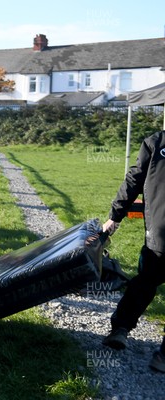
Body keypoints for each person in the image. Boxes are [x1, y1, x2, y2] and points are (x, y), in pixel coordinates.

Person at [101, 129, 165, 373]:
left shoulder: (156, 141)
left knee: (146, 281)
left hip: (159, 232)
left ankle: (120, 329)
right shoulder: (155, 143)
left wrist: (115, 216)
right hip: (160, 229)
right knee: (145, 280)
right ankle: (162, 357)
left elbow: (133, 180)